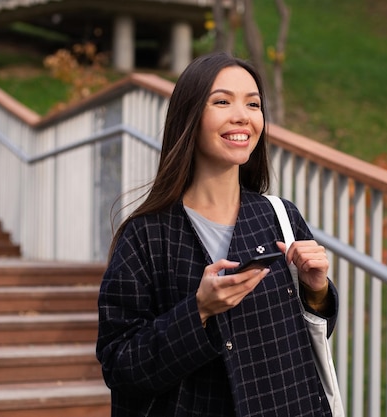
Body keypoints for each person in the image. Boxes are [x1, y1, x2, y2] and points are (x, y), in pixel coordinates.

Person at [96, 52, 339, 417]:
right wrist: (199, 311)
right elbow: (119, 364)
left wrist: (316, 290)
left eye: (253, 104)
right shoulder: (146, 236)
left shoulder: (280, 216)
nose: (242, 115)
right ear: (190, 117)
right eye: (222, 101)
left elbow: (302, 341)